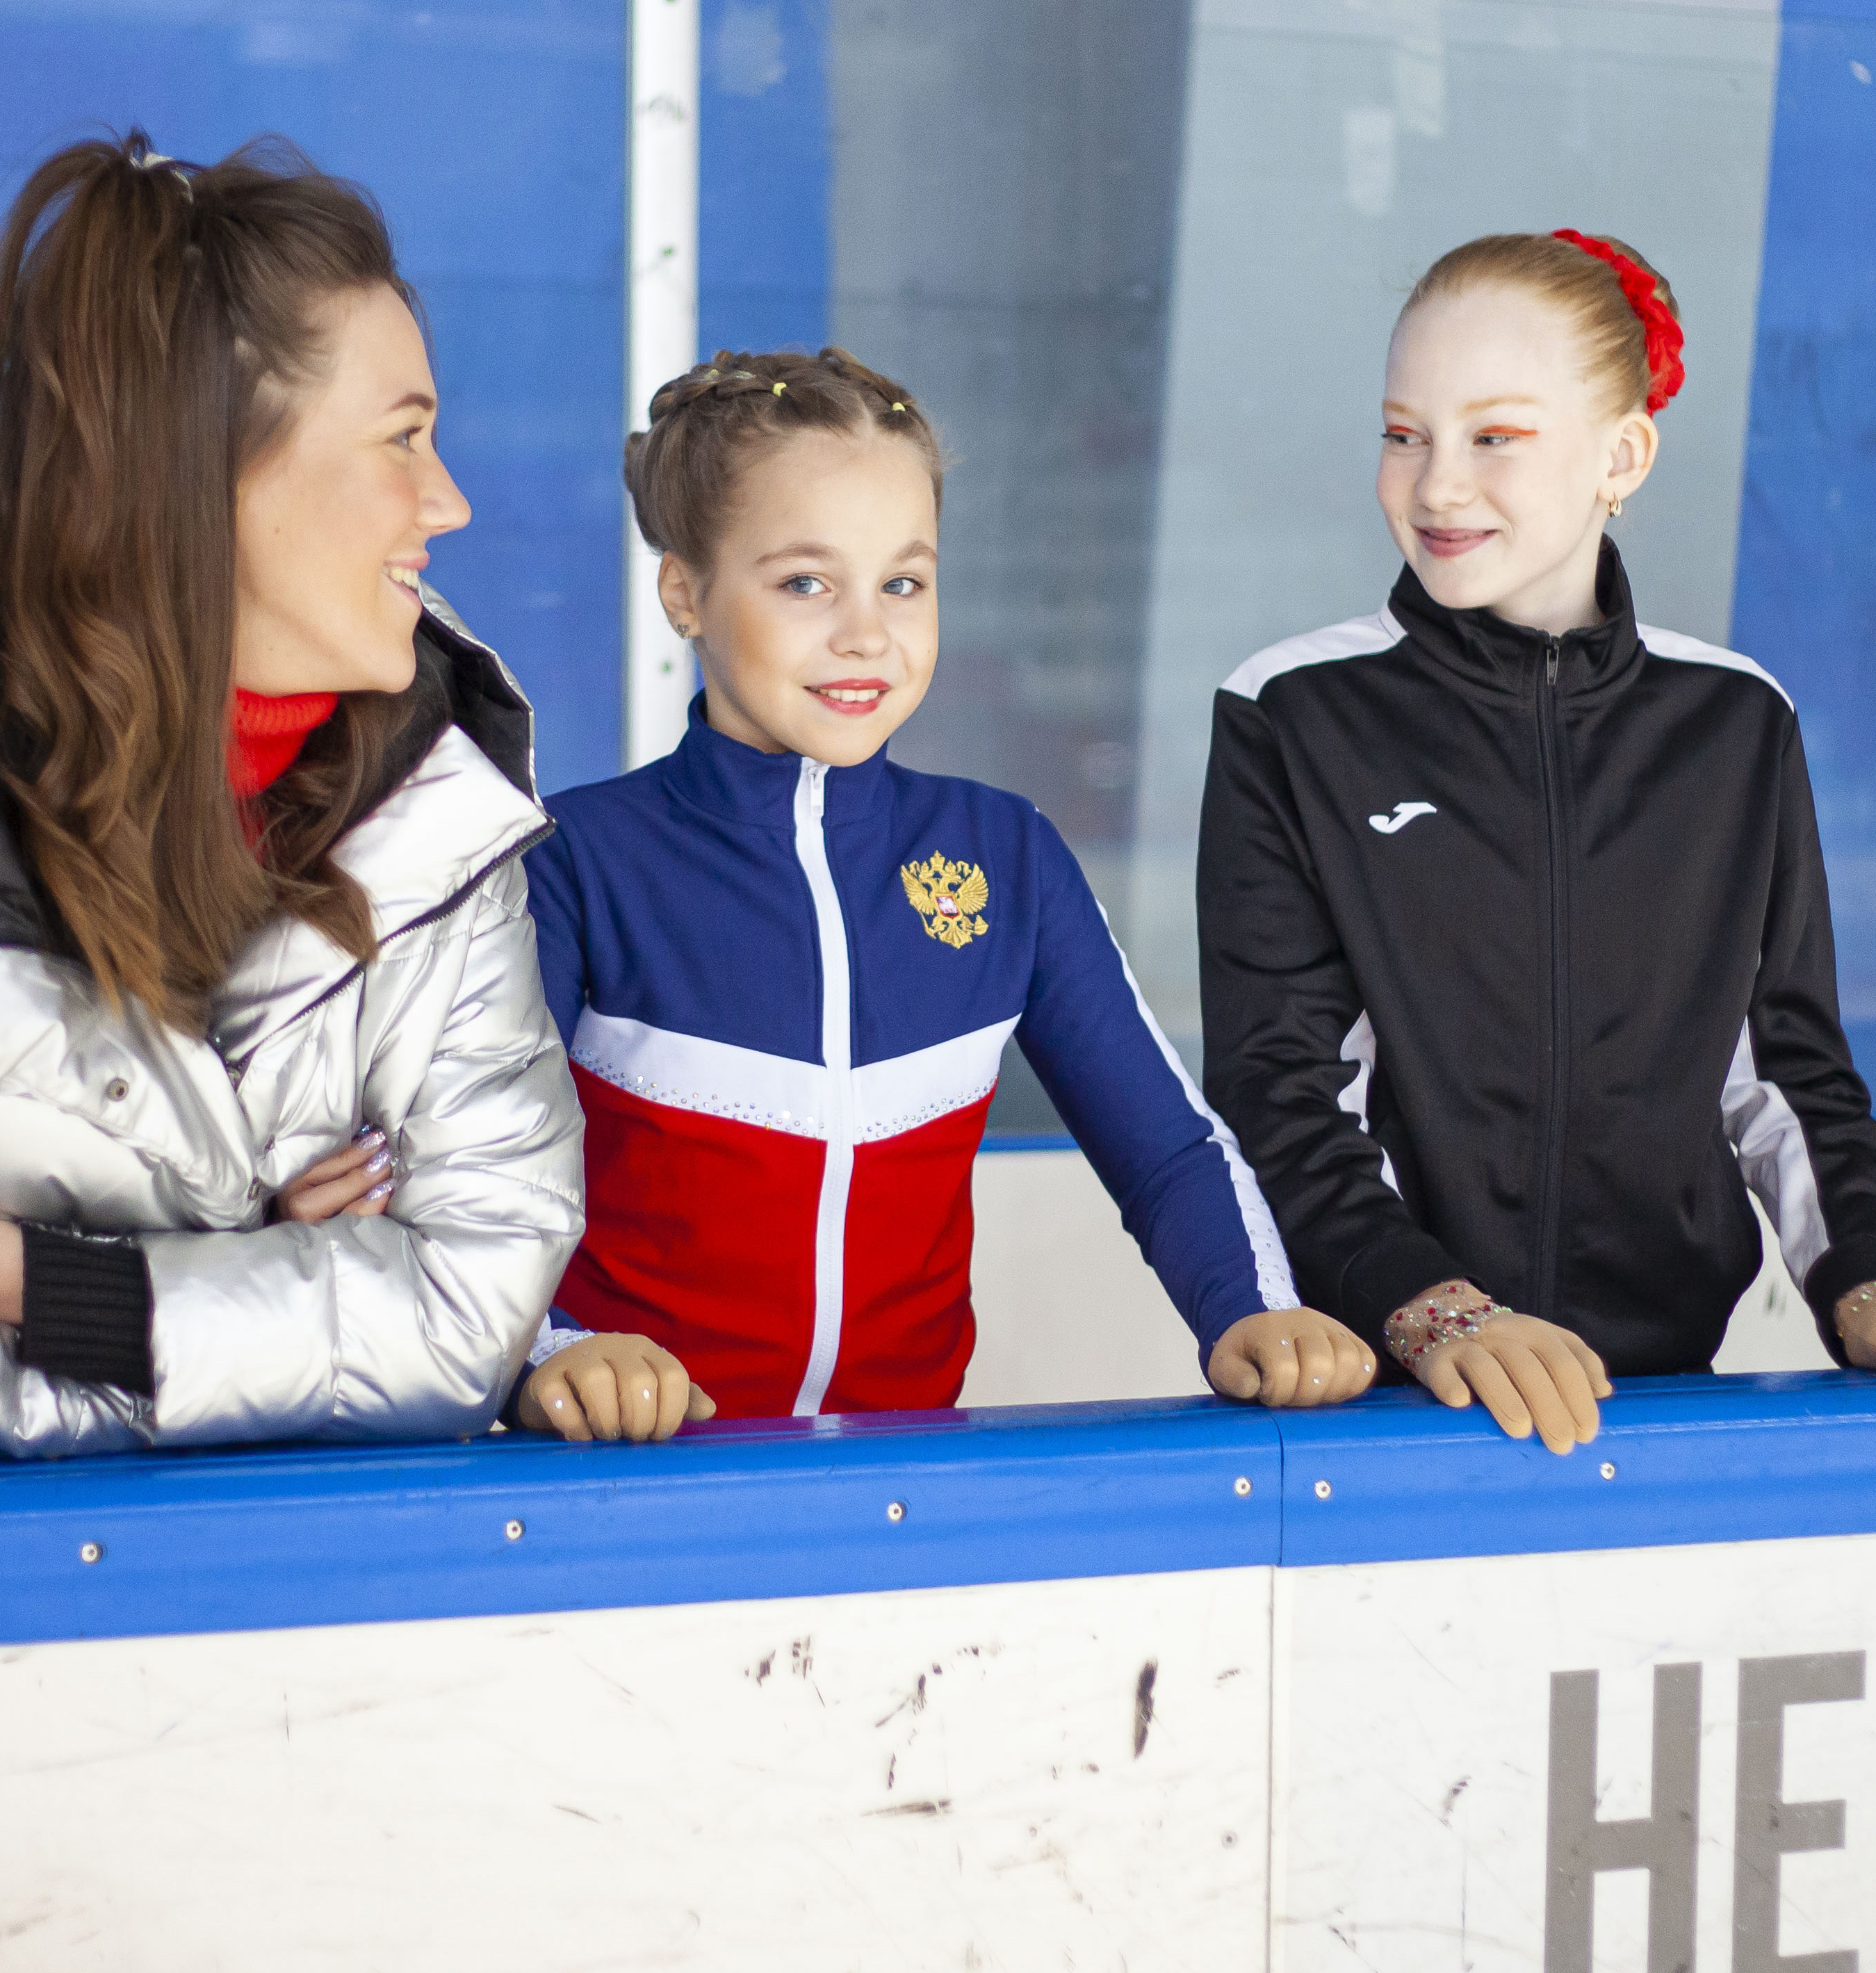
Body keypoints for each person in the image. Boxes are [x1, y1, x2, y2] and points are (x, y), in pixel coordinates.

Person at [0, 133, 670, 1719]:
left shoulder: (435, 813)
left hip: (260, 1661)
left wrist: (26, 1270)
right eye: (403, 437)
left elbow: (470, 1305)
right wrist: (269, 1286)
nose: (450, 499)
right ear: (200, 467)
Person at [1197, 229, 1876, 1454]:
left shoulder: (1734, 723)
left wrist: (1869, 1283)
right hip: (1389, 1409)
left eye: (1493, 436)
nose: (1437, 485)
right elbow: (1278, 1087)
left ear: (1623, 455)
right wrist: (1432, 1311)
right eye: (1405, 435)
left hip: (1667, 1409)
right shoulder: (1294, 711)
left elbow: (1783, 1067)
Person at [519, 350, 1374, 1425]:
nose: (866, 632)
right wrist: (550, 1351)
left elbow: (1165, 1146)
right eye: (803, 583)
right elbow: (470, 1190)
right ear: (683, 592)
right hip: (621, 1482)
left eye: (903, 581)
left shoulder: (1004, 853)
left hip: (909, 1492)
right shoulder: (572, 862)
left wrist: (1251, 1310)